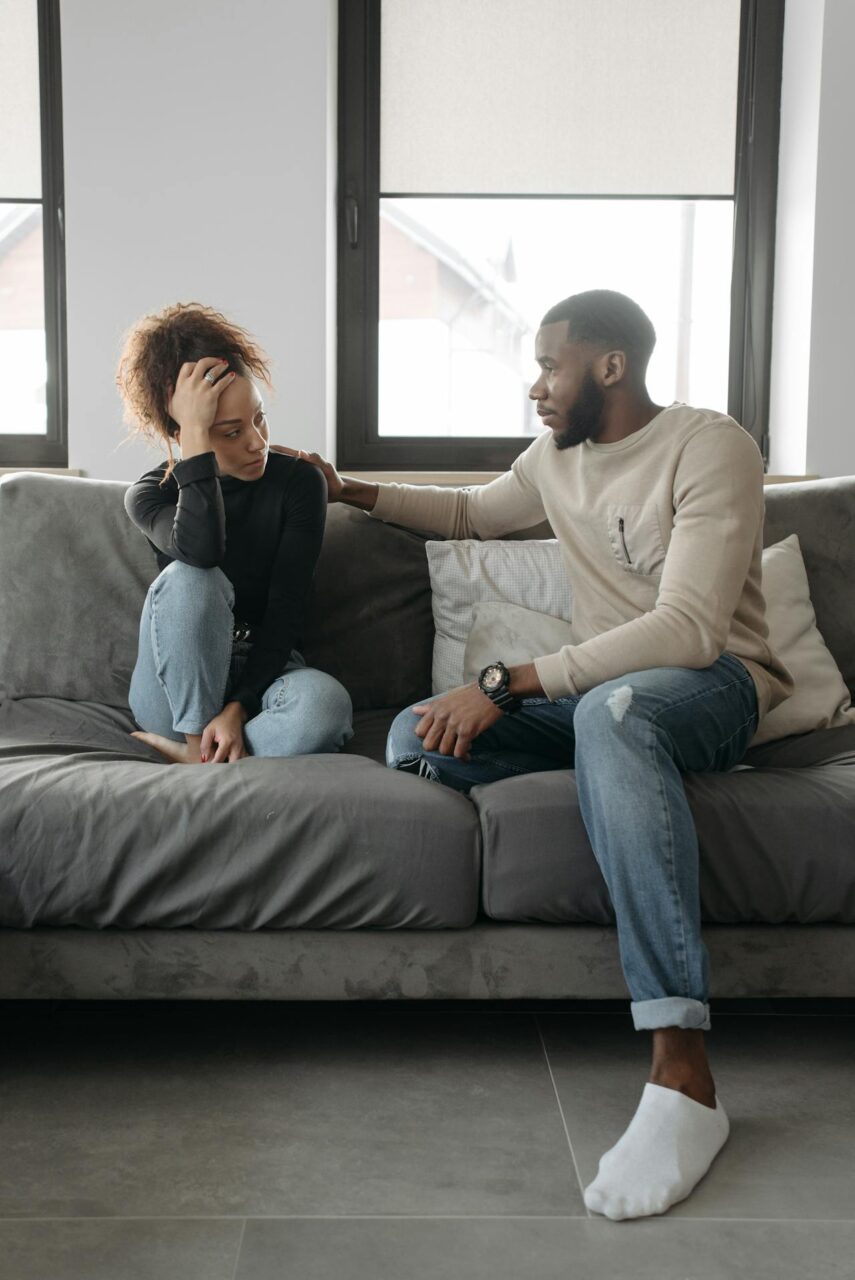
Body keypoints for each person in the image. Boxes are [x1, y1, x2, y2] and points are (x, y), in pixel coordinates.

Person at [282, 289, 795, 1221]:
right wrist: (346, 486)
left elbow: (684, 630)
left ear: (610, 365)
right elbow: (474, 515)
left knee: (615, 715)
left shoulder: (709, 445)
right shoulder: (555, 458)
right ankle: (627, 781)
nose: (535, 386)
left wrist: (506, 682)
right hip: (603, 703)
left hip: (713, 686)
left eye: (549, 364)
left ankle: (682, 1073)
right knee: (414, 735)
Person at [116, 301, 353, 764]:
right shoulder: (150, 495)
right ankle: (193, 746)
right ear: (187, 432)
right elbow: (201, 554)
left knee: (326, 707)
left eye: (259, 417)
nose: (257, 443)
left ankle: (203, 761)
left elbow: (287, 611)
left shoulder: (299, 483)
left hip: (265, 675)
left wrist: (239, 708)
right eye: (229, 432)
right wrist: (195, 446)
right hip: (172, 688)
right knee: (192, 576)